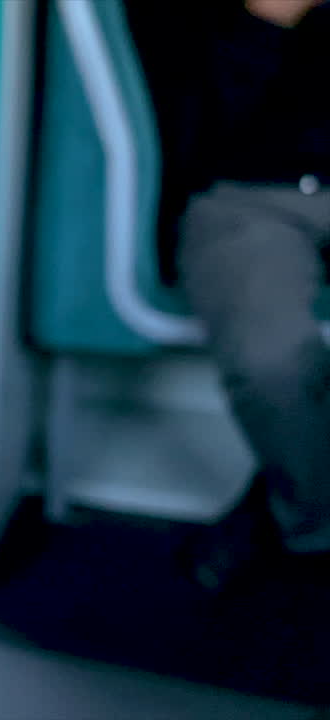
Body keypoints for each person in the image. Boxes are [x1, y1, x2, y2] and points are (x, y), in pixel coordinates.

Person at [143, 0, 330, 593]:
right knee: (274, 359)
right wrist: (268, 22)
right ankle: (310, 532)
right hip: (247, 194)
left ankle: (271, 509)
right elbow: (188, 119)